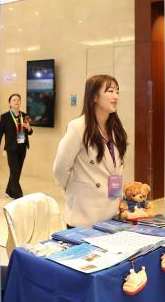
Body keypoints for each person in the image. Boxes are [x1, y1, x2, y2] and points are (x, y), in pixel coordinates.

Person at [53, 75, 127, 228]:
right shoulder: (78, 128)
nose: (115, 96)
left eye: (117, 92)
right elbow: (60, 169)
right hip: (84, 215)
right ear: (94, 97)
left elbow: (117, 169)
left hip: (111, 214)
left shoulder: (117, 130)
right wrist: (75, 193)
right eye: (110, 91)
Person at [0, 93, 33, 199]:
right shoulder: (5, 117)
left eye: (18, 100)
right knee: (14, 171)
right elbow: (0, 133)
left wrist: (29, 128)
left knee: (17, 171)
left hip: (22, 147)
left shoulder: (25, 116)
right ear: (9, 103)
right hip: (11, 148)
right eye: (14, 100)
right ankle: (18, 194)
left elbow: (30, 132)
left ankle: (9, 190)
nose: (16, 101)